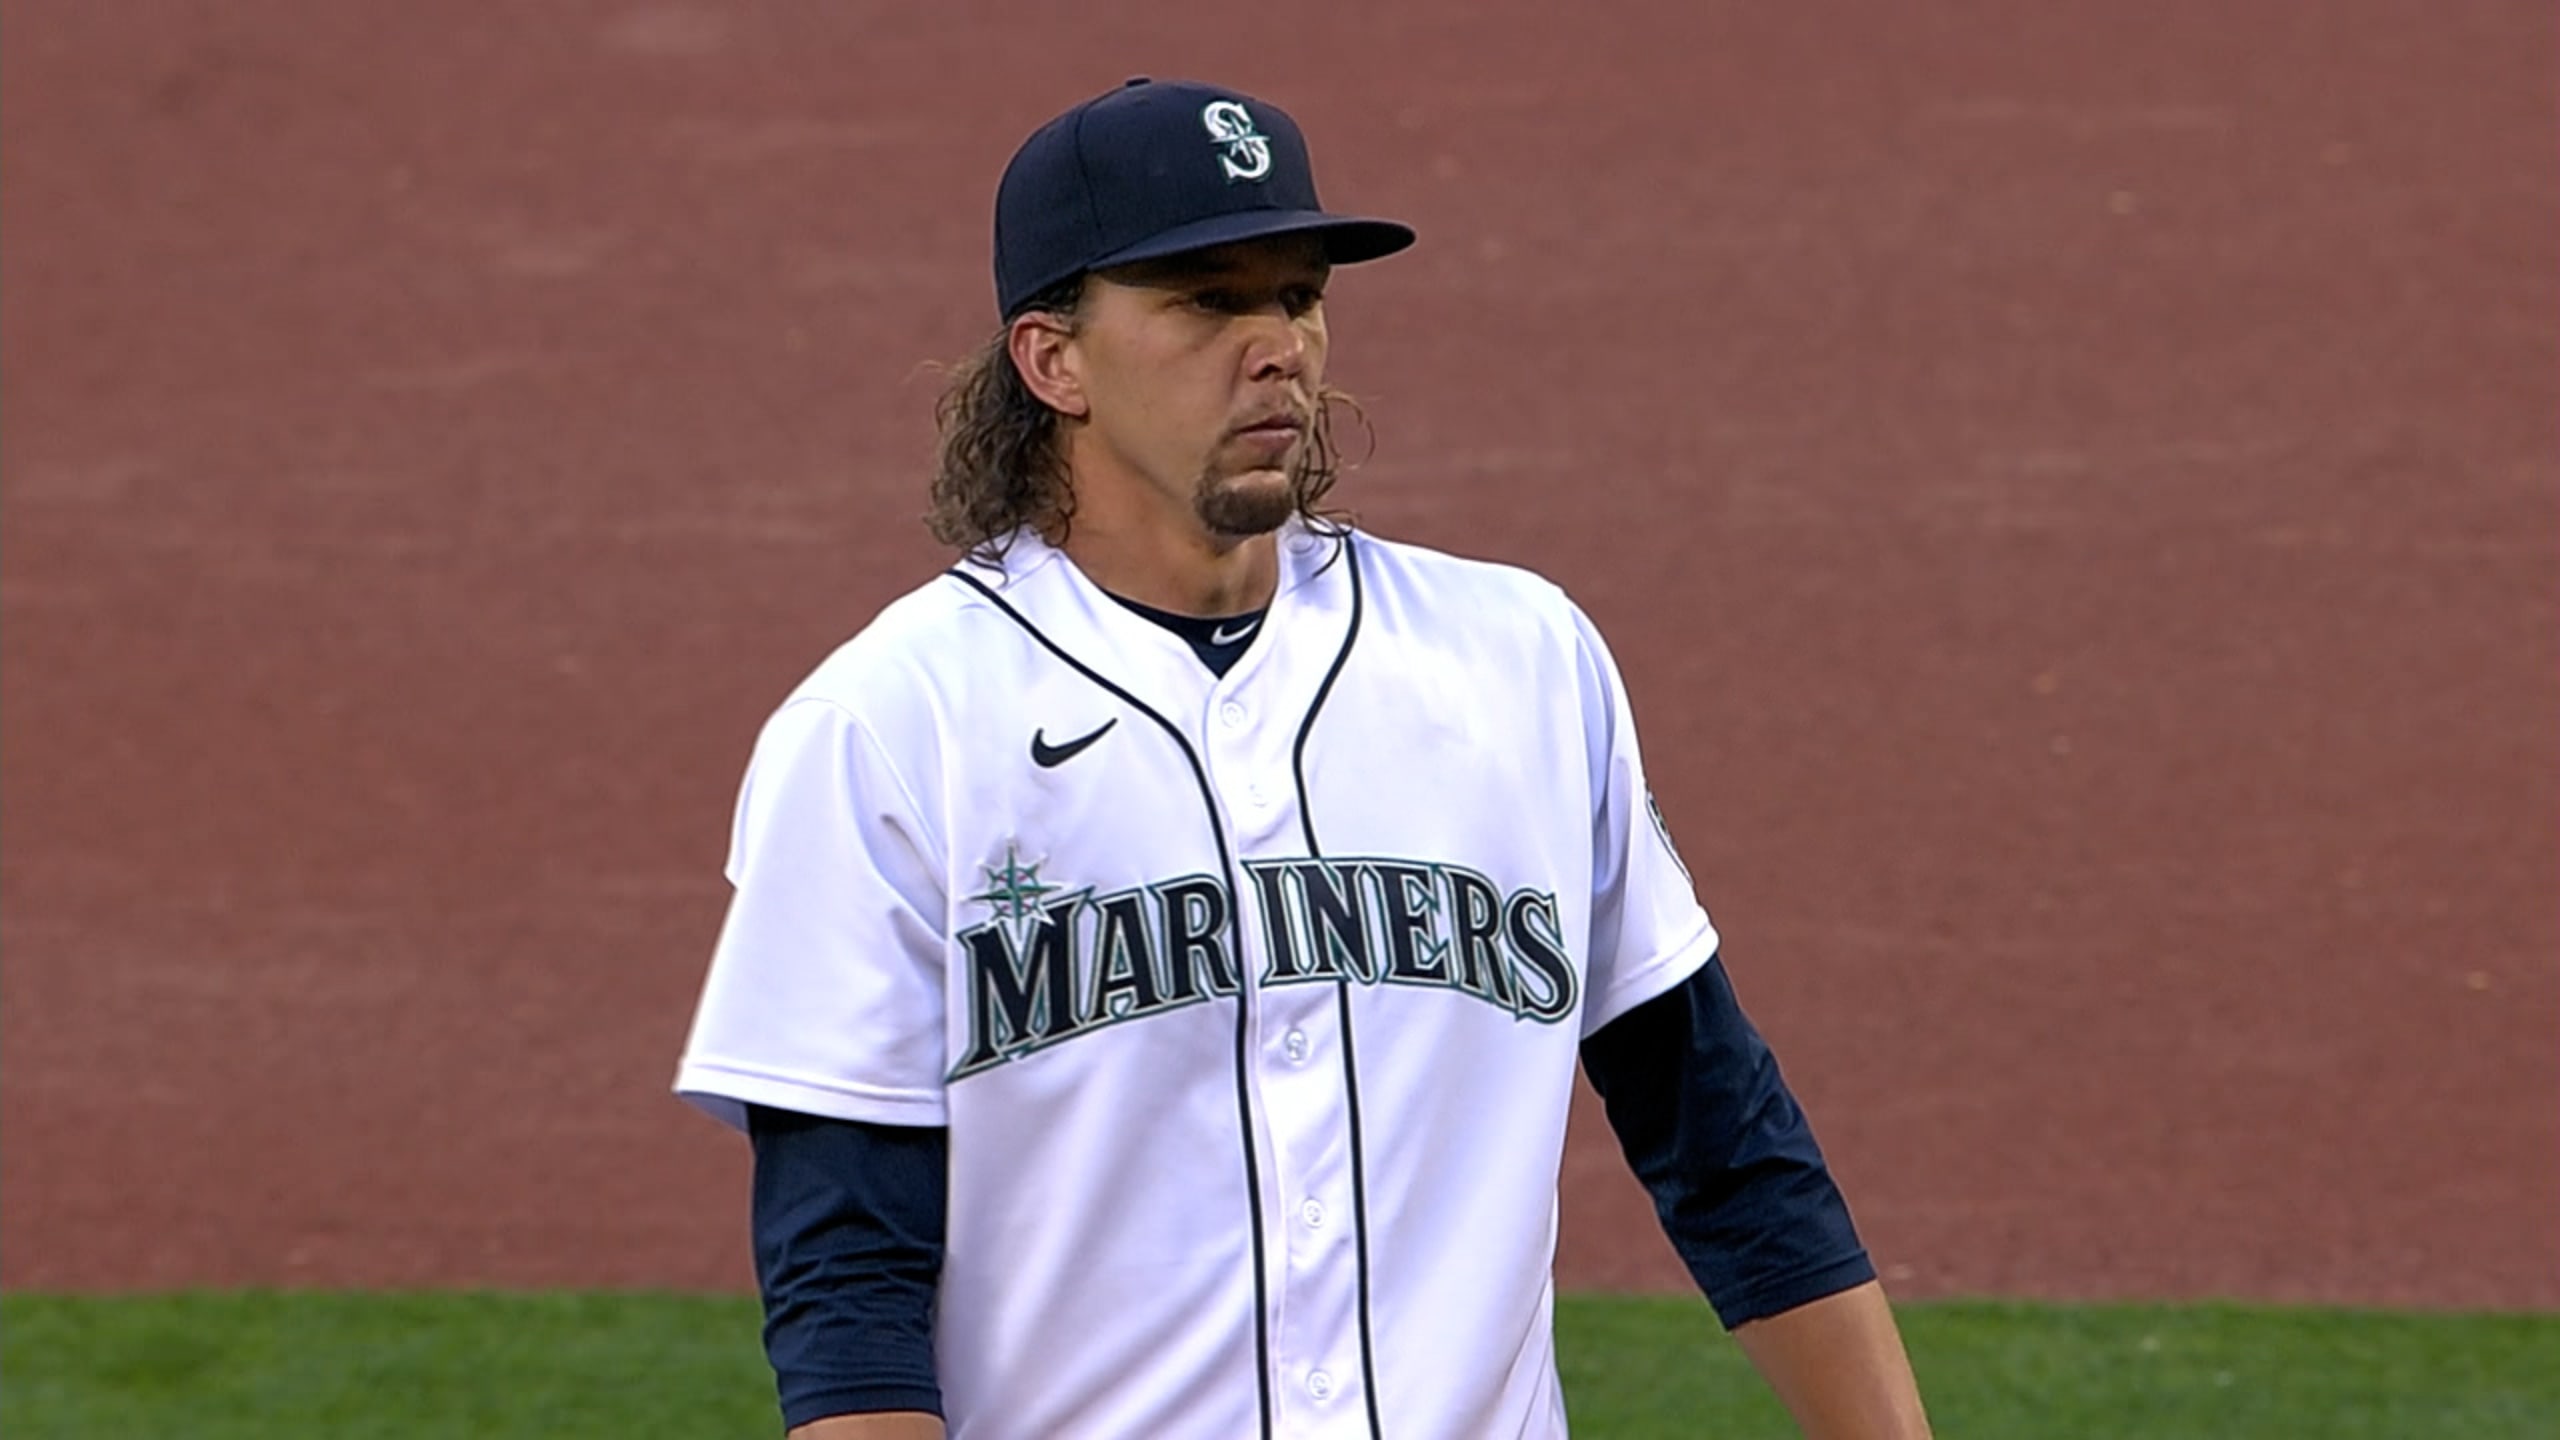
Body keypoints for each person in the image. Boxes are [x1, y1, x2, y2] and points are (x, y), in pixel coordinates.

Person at [675, 76, 1932, 1440]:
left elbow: (1726, 1146)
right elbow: (844, 1284)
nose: (1276, 344)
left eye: (1299, 296)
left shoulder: (1516, 661)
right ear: (1055, 362)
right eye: (1208, 301)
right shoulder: (890, 728)